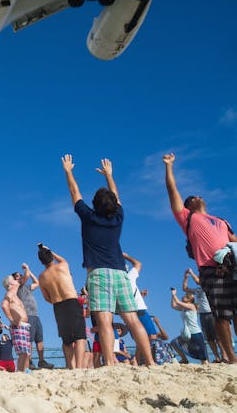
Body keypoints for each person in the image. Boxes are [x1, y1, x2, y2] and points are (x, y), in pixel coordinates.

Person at [61, 155, 153, 366]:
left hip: (98, 274)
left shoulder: (89, 217)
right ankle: (149, 361)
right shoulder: (118, 219)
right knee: (132, 318)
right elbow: (117, 197)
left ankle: (110, 362)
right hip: (121, 273)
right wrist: (109, 176)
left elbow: (75, 193)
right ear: (113, 205)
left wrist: (68, 171)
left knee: (104, 320)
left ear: (95, 205)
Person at [163, 153, 237, 363]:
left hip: (232, 267)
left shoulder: (221, 220)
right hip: (211, 269)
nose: (197, 196)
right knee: (222, 316)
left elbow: (234, 239)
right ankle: (231, 358)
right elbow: (172, 190)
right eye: (192, 197)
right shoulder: (188, 218)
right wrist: (169, 166)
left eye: (198, 195)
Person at [36, 244, 87, 369]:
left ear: (41, 261)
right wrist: (49, 250)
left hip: (58, 306)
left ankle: (70, 366)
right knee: (80, 338)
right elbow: (62, 259)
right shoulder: (62, 266)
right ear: (51, 256)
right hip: (71, 301)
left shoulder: (42, 277)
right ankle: (79, 367)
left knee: (67, 340)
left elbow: (47, 298)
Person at [14, 262, 53, 369]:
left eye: (20, 275)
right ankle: (29, 361)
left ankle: (41, 361)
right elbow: (26, 276)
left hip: (36, 315)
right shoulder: (17, 287)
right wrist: (27, 268)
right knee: (29, 340)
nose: (20, 276)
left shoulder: (27, 287)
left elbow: (37, 282)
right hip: (28, 315)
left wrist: (29, 272)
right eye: (17, 276)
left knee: (39, 339)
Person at [121, 252, 158, 364]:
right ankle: (139, 359)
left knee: (142, 337)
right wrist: (126, 256)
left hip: (131, 309)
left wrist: (140, 295)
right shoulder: (129, 276)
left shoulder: (123, 279)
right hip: (138, 309)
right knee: (151, 336)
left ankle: (136, 360)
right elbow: (138, 263)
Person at [182, 268, 224, 362]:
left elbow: (198, 281)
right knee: (209, 338)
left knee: (217, 337)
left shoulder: (208, 286)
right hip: (202, 315)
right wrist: (186, 277)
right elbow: (184, 288)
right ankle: (217, 357)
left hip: (211, 313)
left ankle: (224, 356)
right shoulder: (197, 290)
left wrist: (192, 273)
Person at [1, 274, 31, 372]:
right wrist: (11, 320)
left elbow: (26, 277)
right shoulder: (10, 293)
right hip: (18, 326)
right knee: (22, 352)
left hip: (24, 326)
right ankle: (20, 372)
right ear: (10, 283)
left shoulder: (15, 295)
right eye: (14, 279)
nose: (17, 279)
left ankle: (24, 371)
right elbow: (4, 305)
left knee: (26, 352)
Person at [170, 288, 208, 364]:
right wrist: (172, 296)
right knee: (174, 343)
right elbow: (173, 305)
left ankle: (206, 365)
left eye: (187, 296)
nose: (184, 296)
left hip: (196, 333)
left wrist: (174, 294)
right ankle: (184, 359)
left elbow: (177, 302)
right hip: (187, 333)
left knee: (202, 357)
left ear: (189, 300)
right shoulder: (183, 308)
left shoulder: (192, 306)